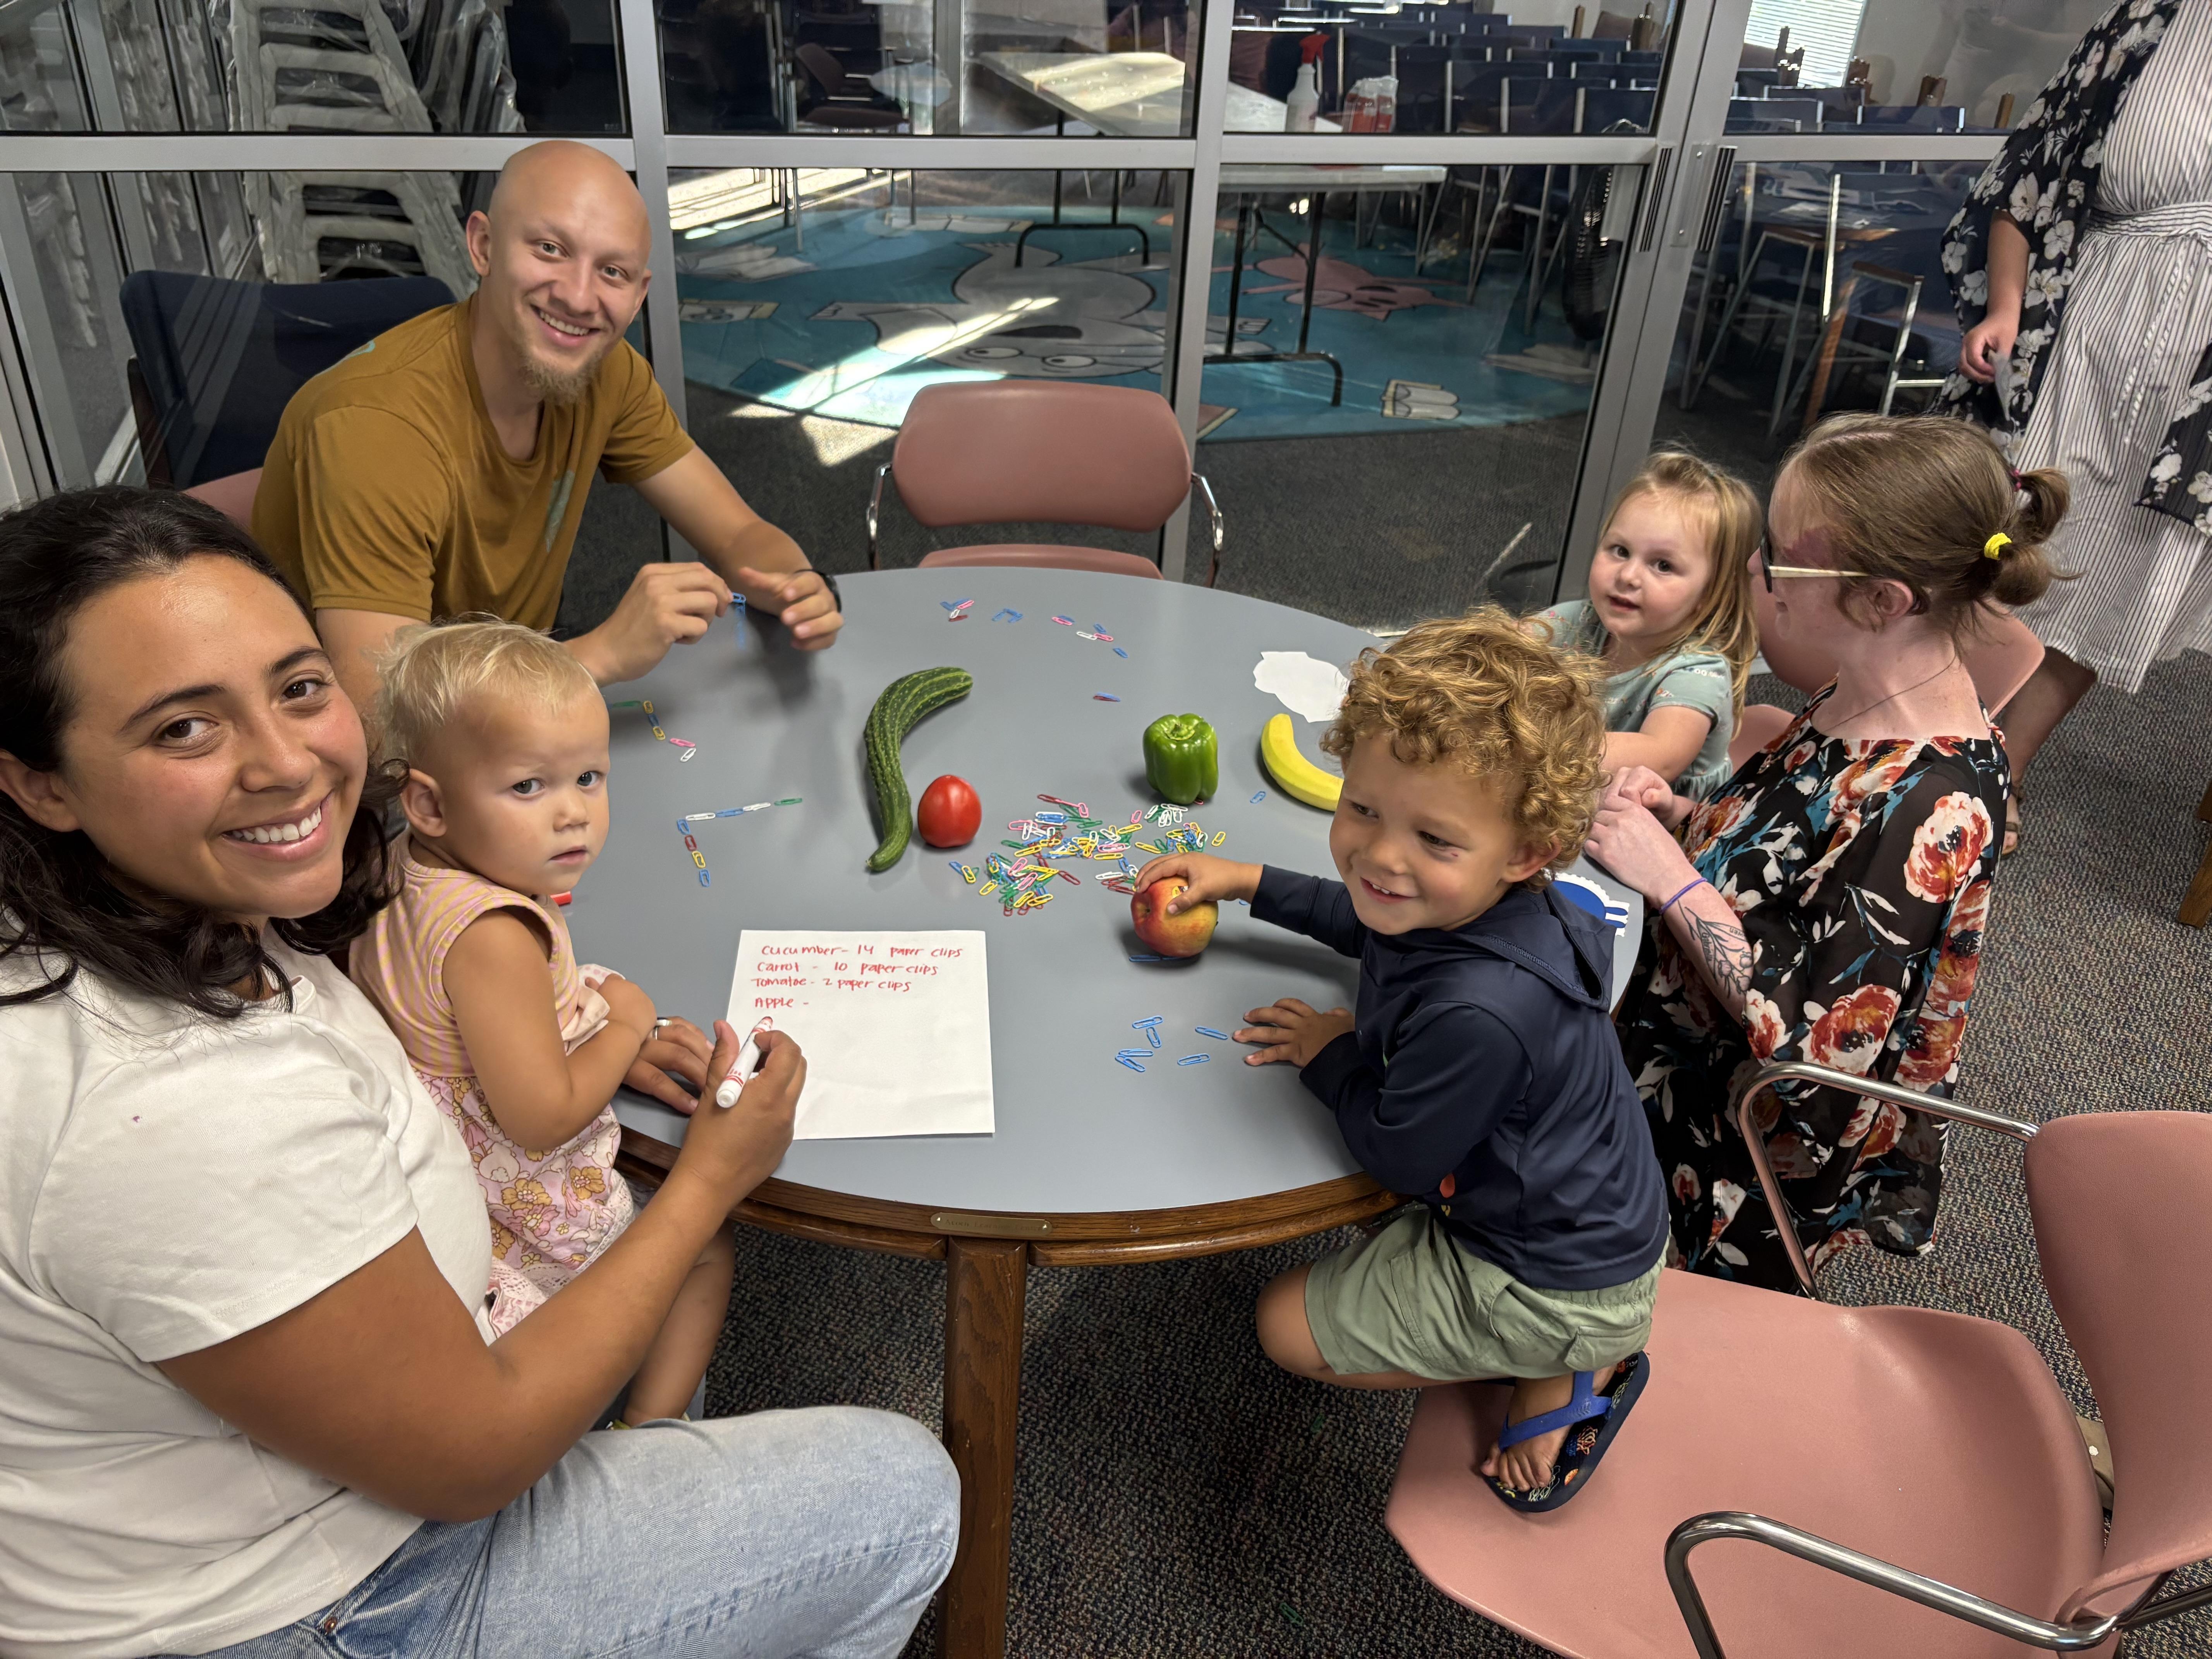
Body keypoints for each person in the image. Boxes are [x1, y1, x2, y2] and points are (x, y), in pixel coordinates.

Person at [0, 486, 955, 1657]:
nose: (285, 763)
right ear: (38, 781)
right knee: (904, 1497)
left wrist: (581, 1035)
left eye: (300, 688)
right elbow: (474, 1458)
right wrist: (713, 1176)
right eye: (182, 729)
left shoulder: (177, 916)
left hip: (254, 1483)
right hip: (314, 1601)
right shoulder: (167, 1109)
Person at [1133, 610, 1669, 1512]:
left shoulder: (1482, 1016)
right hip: (1580, 1215)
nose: (1379, 855)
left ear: (1529, 852)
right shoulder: (1479, 903)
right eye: (1363, 809)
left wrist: (1332, 1053)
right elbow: (1369, 914)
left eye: (1434, 840)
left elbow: (1397, 1157)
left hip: (1551, 1280)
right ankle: (1547, 1344)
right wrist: (1248, 882)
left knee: (1282, 1328)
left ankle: (1558, 1364)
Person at [1590, 414, 2060, 1293]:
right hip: (1675, 1019)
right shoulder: (1864, 692)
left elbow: (1809, 1041)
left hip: (1731, 1137)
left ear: (1884, 602)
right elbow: (1784, 855)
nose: (1756, 572)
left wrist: (1666, 874)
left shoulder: (1934, 802)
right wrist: (1684, 813)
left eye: (1778, 556)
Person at [254, 140, 845, 720]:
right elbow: (382, 724)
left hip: (516, 699)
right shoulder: (374, 428)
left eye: (611, 271)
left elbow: (738, 531)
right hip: (370, 775)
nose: (579, 296)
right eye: (550, 249)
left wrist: (795, 586)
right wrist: (599, 655)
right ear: (483, 246)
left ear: (638, 296)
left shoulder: (606, 373)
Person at [348, 618, 733, 1423]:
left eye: (589, 778)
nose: (573, 815)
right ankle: (650, 1446)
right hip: (516, 1201)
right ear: (429, 803)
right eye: (529, 787)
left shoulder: (400, 862)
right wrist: (626, 1022)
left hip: (438, 1158)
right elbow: (538, 1116)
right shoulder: (493, 934)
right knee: (702, 1257)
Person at [1941, 0, 2212, 852]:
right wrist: (2008, 308)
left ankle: (2003, 769)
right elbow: (2033, 170)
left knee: (2120, 570)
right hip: (2094, 317)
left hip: (2198, 381)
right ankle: (1926, 731)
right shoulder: (2149, 21)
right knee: (2012, 535)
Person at [1534, 450, 1762, 800]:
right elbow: (1496, 649)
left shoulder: (1699, 672)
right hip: (1577, 793)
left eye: (1663, 566)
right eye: (1620, 551)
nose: (1628, 576)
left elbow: (1661, 756)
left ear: (1712, 591)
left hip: (1667, 831)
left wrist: (1531, 741)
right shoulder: (1578, 621)